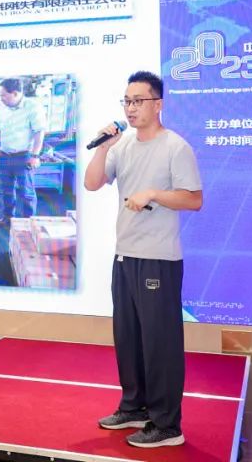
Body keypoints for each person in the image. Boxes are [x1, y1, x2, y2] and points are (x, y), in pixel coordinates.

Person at [84, 71, 202, 449]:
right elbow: (92, 182)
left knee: (159, 343)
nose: (131, 108)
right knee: (129, 338)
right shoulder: (122, 146)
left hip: (158, 259)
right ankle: (134, 406)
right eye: (127, 101)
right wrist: (103, 147)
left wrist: (153, 193)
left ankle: (167, 424)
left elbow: (194, 199)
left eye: (138, 101)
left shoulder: (175, 147)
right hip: (125, 255)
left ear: (158, 104)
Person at [0, 78, 45, 225]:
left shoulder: (32, 107)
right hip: (5, 156)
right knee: (6, 190)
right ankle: (8, 217)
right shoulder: (3, 109)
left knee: (27, 192)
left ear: (15, 93)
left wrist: (35, 155)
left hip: (23, 156)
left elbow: (39, 132)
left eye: (4, 95)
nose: (1, 98)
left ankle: (28, 222)